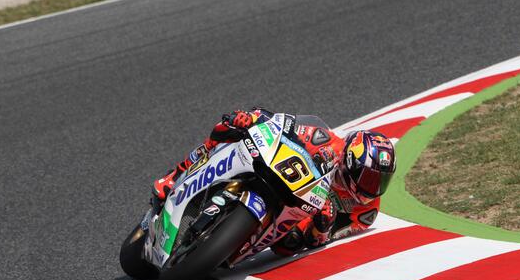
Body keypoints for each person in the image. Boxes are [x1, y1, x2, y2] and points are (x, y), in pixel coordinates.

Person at [151, 107, 396, 255]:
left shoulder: (366, 212)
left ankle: (228, 243)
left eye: (381, 181)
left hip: (292, 221)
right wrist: (253, 117)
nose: (374, 188)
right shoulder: (323, 139)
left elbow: (324, 239)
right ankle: (176, 174)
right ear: (351, 161)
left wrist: (321, 228)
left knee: (289, 245)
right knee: (231, 129)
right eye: (370, 178)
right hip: (275, 173)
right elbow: (281, 122)